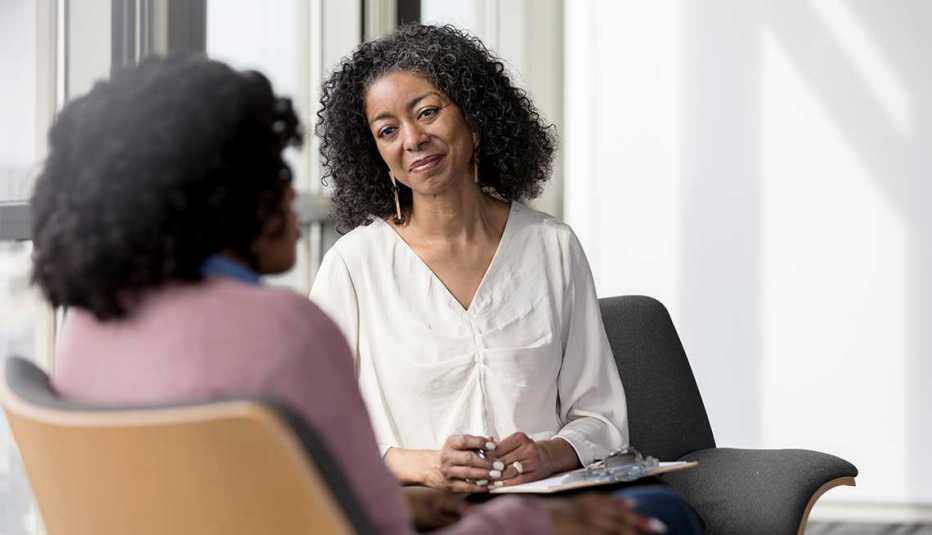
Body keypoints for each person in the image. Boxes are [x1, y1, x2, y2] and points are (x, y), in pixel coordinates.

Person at [31, 54, 671, 534]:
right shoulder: (284, 329)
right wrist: (542, 521)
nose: (292, 194)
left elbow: (295, 499)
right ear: (218, 197)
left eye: (427, 113)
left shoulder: (85, 332)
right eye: (273, 173)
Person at [310, 24, 702, 534]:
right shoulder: (353, 265)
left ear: (474, 119)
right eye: (387, 130)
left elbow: (601, 418)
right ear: (375, 153)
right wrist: (425, 466)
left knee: (662, 512)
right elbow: (318, 430)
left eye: (427, 112)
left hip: (551, 498)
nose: (412, 139)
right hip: (430, 509)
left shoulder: (552, 246)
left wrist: (548, 453)